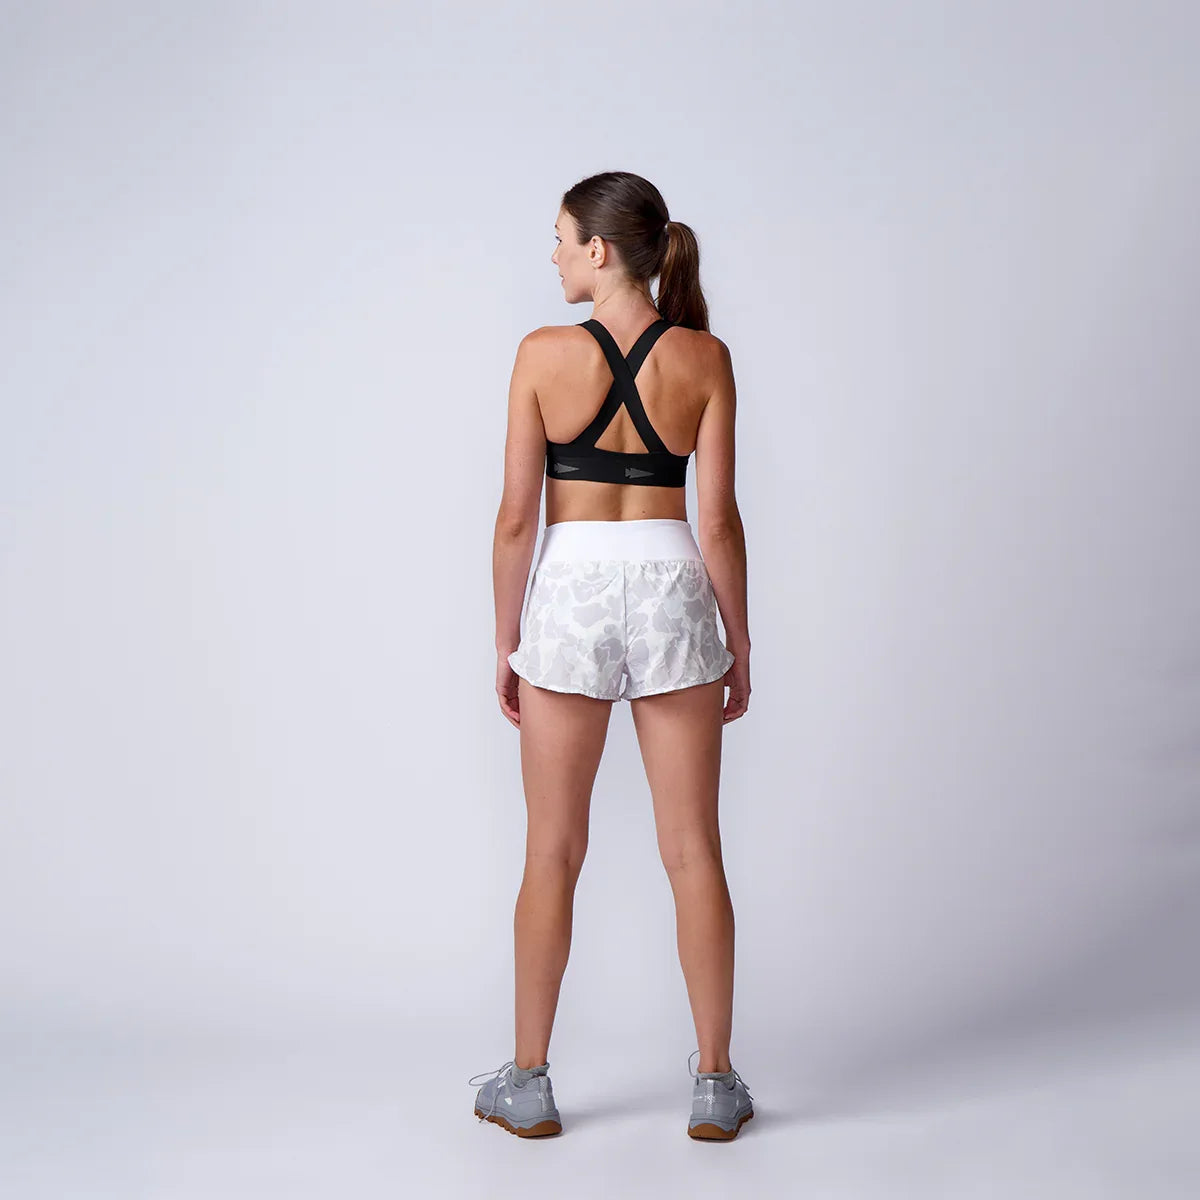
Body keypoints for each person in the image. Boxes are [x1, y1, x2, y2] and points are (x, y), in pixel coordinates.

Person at [469, 171, 754, 1141]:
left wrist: (509, 639)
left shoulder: (541, 357)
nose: (550, 255)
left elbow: (516, 520)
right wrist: (738, 641)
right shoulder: (706, 359)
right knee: (693, 851)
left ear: (600, 250)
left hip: (572, 590)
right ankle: (716, 1086)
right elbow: (715, 521)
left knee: (552, 850)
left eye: (558, 238)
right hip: (675, 585)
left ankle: (528, 1080)